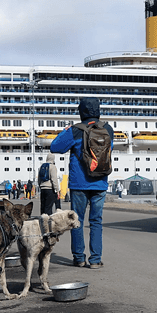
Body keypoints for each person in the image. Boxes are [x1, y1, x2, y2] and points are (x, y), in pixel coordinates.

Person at [50, 97, 113, 269]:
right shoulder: (108, 129)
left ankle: (79, 258)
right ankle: (95, 260)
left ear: (81, 111)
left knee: (76, 220)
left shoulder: (76, 130)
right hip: (100, 181)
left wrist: (66, 129)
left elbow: (55, 147)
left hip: (79, 183)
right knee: (96, 221)